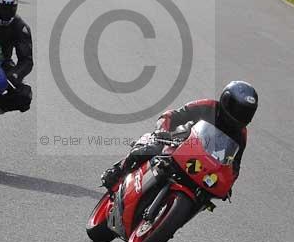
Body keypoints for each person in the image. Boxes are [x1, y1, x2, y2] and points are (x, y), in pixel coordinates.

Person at [100, 81, 258, 191]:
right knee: (152, 147)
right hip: (179, 143)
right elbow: (171, 115)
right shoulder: (208, 106)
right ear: (225, 100)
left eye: (245, 113)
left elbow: (235, 165)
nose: (239, 116)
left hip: (205, 164)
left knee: (206, 193)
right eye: (237, 109)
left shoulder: (241, 134)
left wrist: (227, 183)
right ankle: (118, 170)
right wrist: (163, 130)